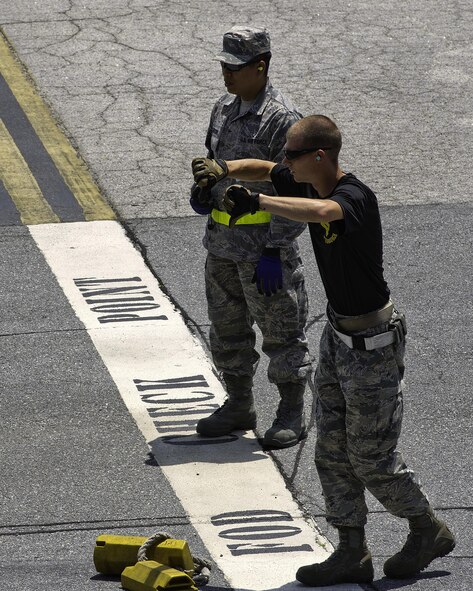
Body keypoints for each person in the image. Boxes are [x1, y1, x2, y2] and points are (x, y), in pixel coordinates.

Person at [192, 114, 456, 585]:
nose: (285, 162)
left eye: (293, 154)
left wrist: (257, 201)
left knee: (371, 459)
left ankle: (425, 527)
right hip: (338, 338)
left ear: (319, 156)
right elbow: (261, 166)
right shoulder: (303, 177)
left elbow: (319, 214)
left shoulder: (352, 198)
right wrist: (224, 167)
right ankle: (351, 549)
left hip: (372, 346)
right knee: (331, 450)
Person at [190, 25, 312, 449]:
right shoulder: (223, 108)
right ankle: (239, 402)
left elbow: (301, 191)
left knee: (281, 331)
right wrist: (204, 191)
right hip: (222, 246)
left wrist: (276, 248)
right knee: (227, 332)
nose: (227, 75)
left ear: (260, 67)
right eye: (224, 65)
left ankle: (291, 409)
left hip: (264, 249)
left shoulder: (283, 120)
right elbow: (215, 161)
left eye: (236, 67)